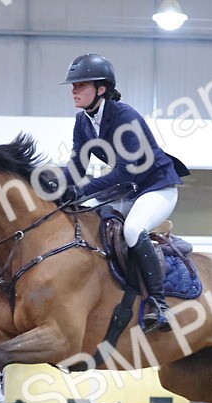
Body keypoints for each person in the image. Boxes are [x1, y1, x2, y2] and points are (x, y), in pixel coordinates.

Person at [58, 53, 189, 332]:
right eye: (73, 85)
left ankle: (160, 304)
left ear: (101, 89)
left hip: (156, 187)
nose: (74, 90)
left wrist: (79, 190)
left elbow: (124, 172)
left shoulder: (125, 116)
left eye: (81, 85)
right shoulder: (83, 121)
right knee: (86, 221)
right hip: (127, 192)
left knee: (132, 230)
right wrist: (55, 188)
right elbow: (77, 167)